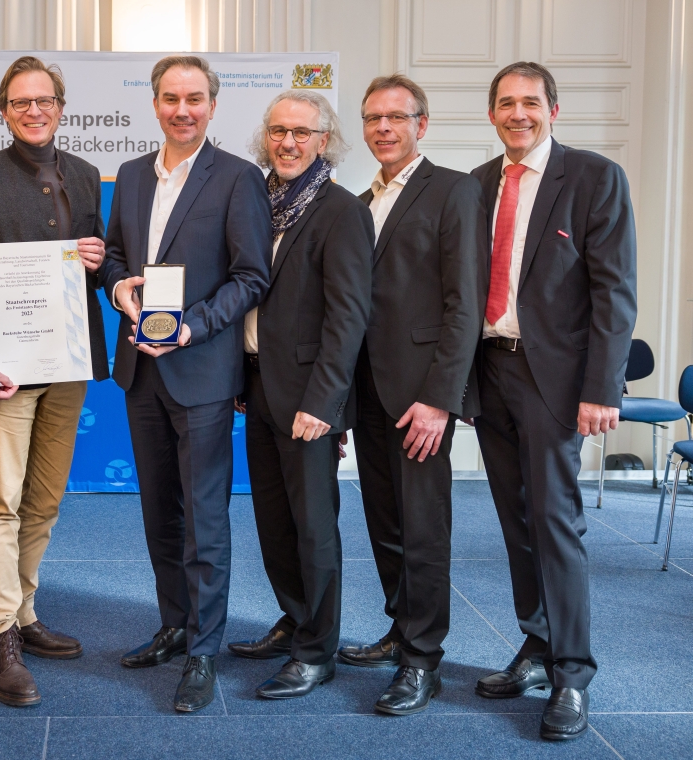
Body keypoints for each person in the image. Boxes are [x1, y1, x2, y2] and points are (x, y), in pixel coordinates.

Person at [100, 55, 272, 712]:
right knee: (158, 513)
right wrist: (119, 288)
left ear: (212, 104)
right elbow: (116, 254)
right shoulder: (133, 175)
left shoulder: (237, 178)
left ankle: (204, 649)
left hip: (199, 370)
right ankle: (174, 624)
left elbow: (251, 276)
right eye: (171, 97)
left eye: (194, 98)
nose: (182, 109)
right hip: (140, 368)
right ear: (155, 103)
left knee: (204, 519)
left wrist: (192, 328)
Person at [470, 62, 635, 741]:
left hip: (556, 382)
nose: (518, 113)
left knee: (555, 521)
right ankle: (535, 645)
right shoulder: (478, 184)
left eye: (530, 102)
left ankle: (572, 673)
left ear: (553, 110)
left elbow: (613, 293)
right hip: (490, 372)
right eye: (506, 103)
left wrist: (602, 388)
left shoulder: (595, 178)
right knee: (514, 519)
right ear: (492, 114)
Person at [0, 56, 110, 707]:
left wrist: (98, 260)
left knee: (43, 499)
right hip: (8, 373)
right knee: (0, 503)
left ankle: (23, 610)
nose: (34, 110)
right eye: (21, 102)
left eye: (44, 100)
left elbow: (94, 269)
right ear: (5, 111)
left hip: (68, 363)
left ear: (61, 107)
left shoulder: (87, 176)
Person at [343, 74, 485, 715]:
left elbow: (465, 306)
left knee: (424, 526)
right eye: (373, 118)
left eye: (396, 118)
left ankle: (424, 659)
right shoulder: (358, 198)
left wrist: (441, 398)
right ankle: (401, 629)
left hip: (420, 395)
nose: (383, 128)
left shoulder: (454, 189)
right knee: (385, 519)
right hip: (367, 388)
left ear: (421, 125)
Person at [227, 91, 373, 700]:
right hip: (256, 386)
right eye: (279, 131)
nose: (288, 143)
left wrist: (325, 404)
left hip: (309, 397)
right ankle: (295, 618)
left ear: (323, 141)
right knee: (273, 521)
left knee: (314, 527)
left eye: (302, 133)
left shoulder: (340, 210)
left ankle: (318, 650)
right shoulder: (254, 203)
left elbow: (348, 316)